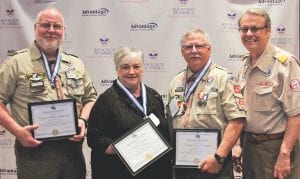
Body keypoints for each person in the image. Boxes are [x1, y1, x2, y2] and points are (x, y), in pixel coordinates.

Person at [0, 7, 97, 179]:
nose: (51, 30)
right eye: (45, 25)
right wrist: (17, 131)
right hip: (34, 153)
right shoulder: (16, 63)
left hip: (72, 152)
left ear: (63, 31)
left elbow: (90, 97)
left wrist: (82, 120)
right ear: (35, 28)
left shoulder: (75, 64)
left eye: (56, 26)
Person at [167, 28, 246, 179]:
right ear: (182, 51)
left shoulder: (223, 78)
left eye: (199, 46)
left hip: (215, 165)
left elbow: (237, 121)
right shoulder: (176, 81)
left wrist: (219, 157)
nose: (194, 51)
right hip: (182, 165)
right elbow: (171, 120)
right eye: (188, 47)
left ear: (209, 49)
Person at [87, 46, 172, 179]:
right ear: (117, 69)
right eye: (125, 67)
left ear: (142, 68)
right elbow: (94, 138)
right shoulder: (106, 100)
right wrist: (124, 150)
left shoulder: (154, 95)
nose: (131, 72)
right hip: (120, 171)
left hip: (154, 170)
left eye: (136, 66)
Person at [237, 8, 300, 179]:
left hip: (275, 147)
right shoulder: (245, 64)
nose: (249, 34)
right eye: (244, 29)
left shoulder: (285, 64)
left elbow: (296, 114)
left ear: (268, 31)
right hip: (249, 146)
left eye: (255, 28)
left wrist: (284, 154)